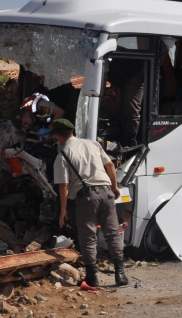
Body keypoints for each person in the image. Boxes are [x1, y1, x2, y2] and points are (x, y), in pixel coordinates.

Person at [52, 118, 128, 288]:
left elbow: (63, 187)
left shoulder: (62, 155)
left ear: (58, 137)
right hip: (107, 191)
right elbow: (110, 166)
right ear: (72, 132)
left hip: (87, 197)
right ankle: (120, 274)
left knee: (88, 238)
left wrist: (63, 210)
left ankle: (92, 278)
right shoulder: (93, 144)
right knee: (112, 234)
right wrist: (115, 187)